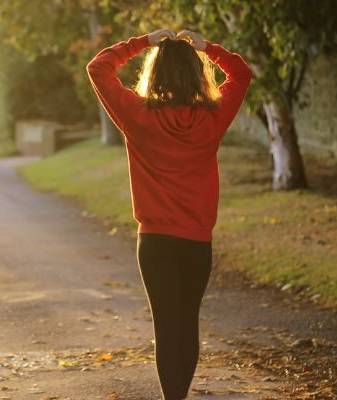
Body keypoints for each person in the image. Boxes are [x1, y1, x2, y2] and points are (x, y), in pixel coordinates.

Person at [86, 28, 252, 399]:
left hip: (155, 242)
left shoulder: (137, 115)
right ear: (197, 73)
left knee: (166, 327)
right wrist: (207, 47)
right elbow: (241, 74)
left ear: (155, 73)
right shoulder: (213, 117)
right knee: (187, 324)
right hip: (196, 242)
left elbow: (99, 68)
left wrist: (143, 42)